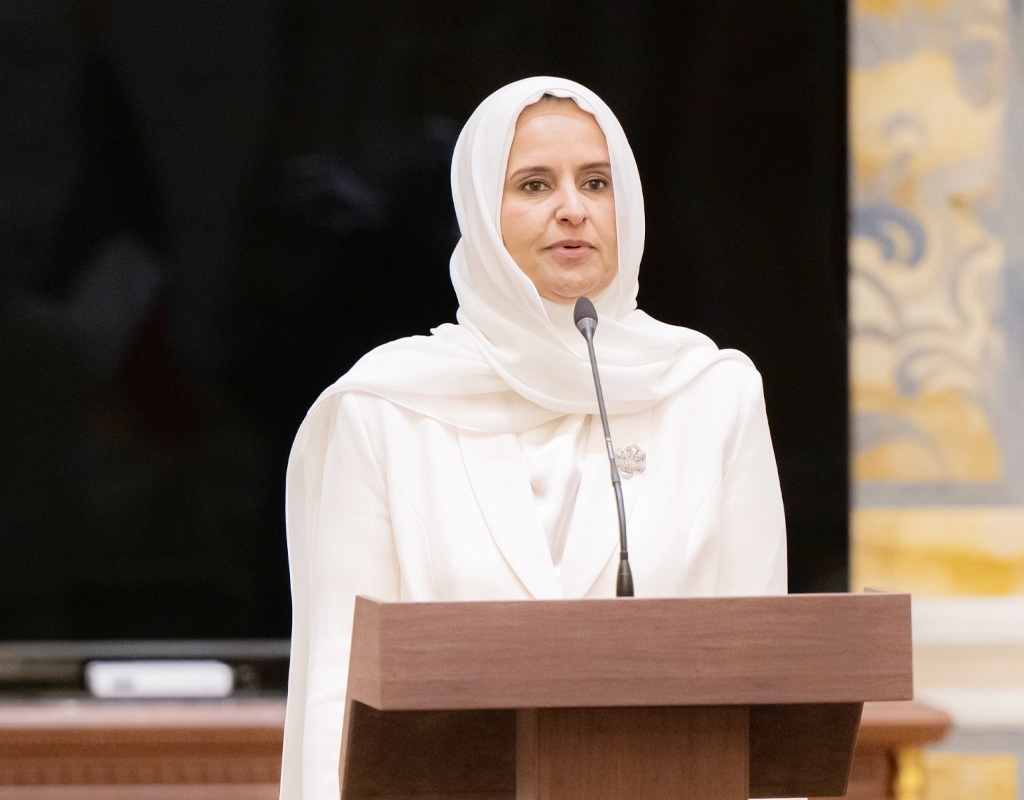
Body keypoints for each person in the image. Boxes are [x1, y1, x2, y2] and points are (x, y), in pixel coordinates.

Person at [280, 76, 786, 799]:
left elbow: (767, 680)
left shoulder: (712, 393)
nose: (573, 209)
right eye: (534, 185)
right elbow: (341, 689)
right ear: (479, 214)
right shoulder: (388, 409)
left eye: (596, 182)